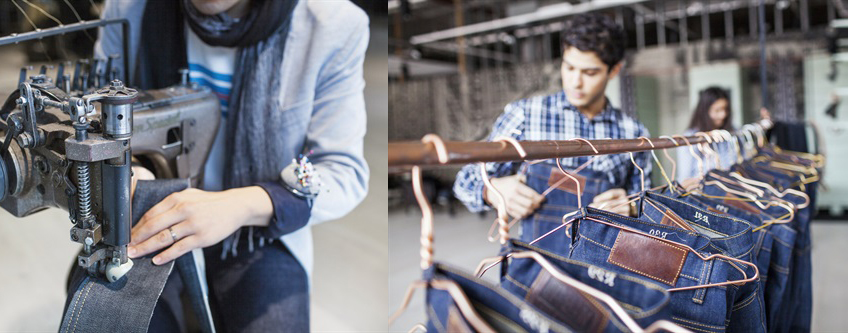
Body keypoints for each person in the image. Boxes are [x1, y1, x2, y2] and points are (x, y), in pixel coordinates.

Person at [94, 0, 370, 331]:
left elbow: (340, 170)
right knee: (105, 319)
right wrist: (129, 169)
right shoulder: (129, 9)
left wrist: (241, 205)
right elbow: (98, 124)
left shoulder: (332, 25)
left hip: (257, 229)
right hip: (151, 213)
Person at [453, 13, 652, 250]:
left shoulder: (633, 132)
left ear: (614, 70)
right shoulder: (526, 115)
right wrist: (492, 191)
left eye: (589, 73)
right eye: (569, 67)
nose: (575, 82)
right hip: (539, 260)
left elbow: (649, 204)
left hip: (605, 261)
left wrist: (631, 206)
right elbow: (465, 181)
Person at [676, 86, 736, 184]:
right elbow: (684, 178)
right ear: (705, 111)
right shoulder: (691, 138)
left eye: (725, 109)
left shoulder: (728, 134)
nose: (723, 115)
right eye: (717, 110)